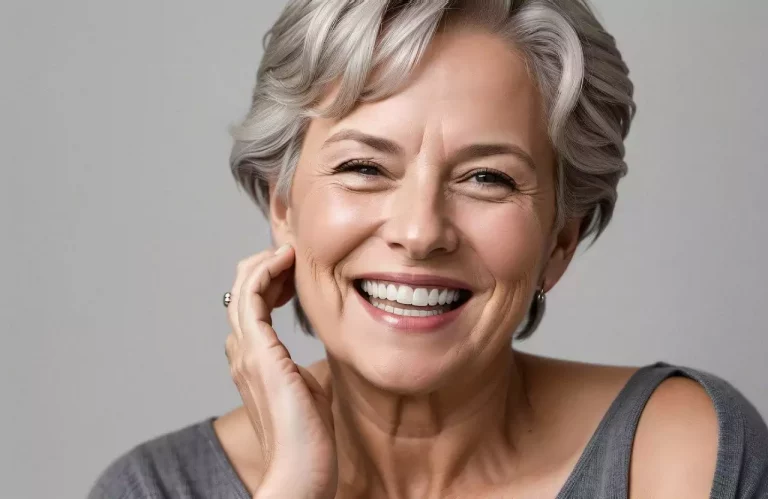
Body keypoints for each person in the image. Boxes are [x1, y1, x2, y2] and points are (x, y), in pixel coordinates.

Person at [87, 0, 768, 498]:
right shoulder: (155, 489)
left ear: (560, 239)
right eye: (363, 167)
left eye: (486, 177)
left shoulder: (679, 457)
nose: (419, 231)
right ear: (284, 205)